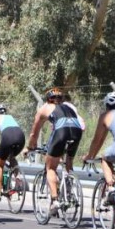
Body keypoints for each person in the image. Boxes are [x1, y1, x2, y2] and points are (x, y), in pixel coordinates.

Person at [25, 87, 83, 215]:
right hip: (77, 131)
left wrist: (30, 147)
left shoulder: (44, 108)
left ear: (48, 99)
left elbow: (34, 133)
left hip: (61, 131)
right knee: (68, 161)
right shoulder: (68, 107)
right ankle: (69, 190)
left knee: (50, 167)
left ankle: (55, 199)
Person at [0, 103, 26, 198]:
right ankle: (17, 176)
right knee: (11, 157)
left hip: (8, 136)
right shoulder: (10, 117)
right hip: (21, 136)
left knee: (0, 165)